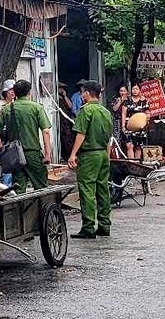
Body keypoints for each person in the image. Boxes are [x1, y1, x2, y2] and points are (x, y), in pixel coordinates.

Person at [67, 81, 113, 239]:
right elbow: (109, 138)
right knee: (103, 189)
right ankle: (104, 225)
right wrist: (107, 156)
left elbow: (81, 134)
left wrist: (73, 154)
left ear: (88, 93)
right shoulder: (106, 112)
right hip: (102, 154)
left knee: (87, 190)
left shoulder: (85, 111)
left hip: (89, 155)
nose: (81, 95)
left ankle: (88, 227)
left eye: (83, 92)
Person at [0, 80, 52, 194]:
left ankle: (21, 211)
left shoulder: (7, 108)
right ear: (29, 92)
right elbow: (46, 131)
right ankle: (40, 211)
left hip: (15, 155)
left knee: (18, 190)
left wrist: (1, 150)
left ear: (15, 92)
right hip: (33, 153)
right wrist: (48, 154)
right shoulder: (36, 107)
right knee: (41, 188)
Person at [122, 84, 149, 160]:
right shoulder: (127, 101)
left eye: (136, 89)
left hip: (140, 126)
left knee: (138, 146)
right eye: (133, 89)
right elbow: (123, 113)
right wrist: (123, 126)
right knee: (129, 145)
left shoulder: (144, 101)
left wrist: (146, 122)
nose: (135, 91)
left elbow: (147, 113)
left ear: (140, 90)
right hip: (129, 126)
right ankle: (131, 162)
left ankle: (136, 163)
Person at [57, 83, 74, 163]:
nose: (62, 89)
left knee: (68, 138)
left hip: (66, 120)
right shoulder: (55, 98)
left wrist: (65, 96)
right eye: (60, 88)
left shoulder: (64, 98)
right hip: (59, 120)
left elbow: (70, 106)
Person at [110, 85, 129, 156]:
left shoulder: (129, 100)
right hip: (117, 121)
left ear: (127, 92)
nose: (122, 92)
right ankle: (118, 155)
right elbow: (114, 109)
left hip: (128, 121)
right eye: (121, 91)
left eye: (124, 91)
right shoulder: (116, 99)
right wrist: (120, 101)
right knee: (117, 138)